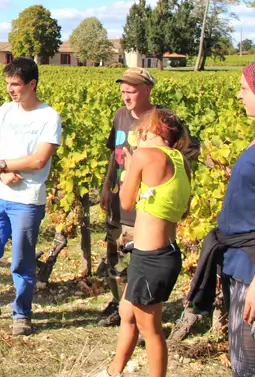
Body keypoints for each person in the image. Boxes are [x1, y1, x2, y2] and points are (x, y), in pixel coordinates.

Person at [0, 58, 61, 336]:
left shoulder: (48, 117)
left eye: (15, 84)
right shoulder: (4, 111)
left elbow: (40, 160)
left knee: (21, 260)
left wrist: (3, 164)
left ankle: (21, 314)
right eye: (7, 84)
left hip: (27, 200)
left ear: (32, 84)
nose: (10, 90)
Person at [97, 108, 193, 377]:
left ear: (153, 131)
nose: (137, 132)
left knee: (151, 331)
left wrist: (130, 169)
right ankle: (113, 371)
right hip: (165, 254)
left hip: (149, 259)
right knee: (127, 313)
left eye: (141, 128)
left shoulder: (143, 156)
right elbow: (183, 210)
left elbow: (125, 203)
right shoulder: (181, 161)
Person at [185, 63, 255, 376]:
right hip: (238, 264)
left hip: (250, 270)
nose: (239, 96)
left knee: (247, 364)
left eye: (244, 88)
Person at [97, 67, 157, 327]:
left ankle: (137, 310)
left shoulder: (161, 119)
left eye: (131, 91)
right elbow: (114, 154)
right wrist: (106, 184)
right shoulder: (120, 115)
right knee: (115, 257)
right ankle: (118, 303)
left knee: (138, 262)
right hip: (118, 201)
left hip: (144, 204)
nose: (126, 96)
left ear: (147, 90)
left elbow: (182, 156)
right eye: (123, 91)